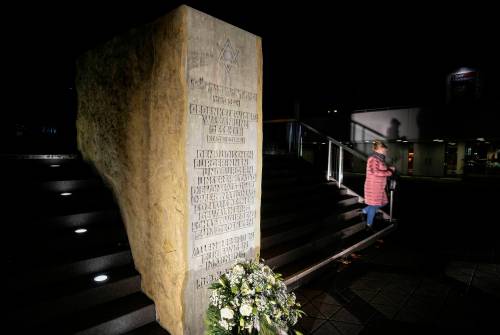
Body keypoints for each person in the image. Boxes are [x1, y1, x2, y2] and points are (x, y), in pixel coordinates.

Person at [362, 140, 395, 231]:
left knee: (384, 202)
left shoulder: (379, 158)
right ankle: (369, 225)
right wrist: (390, 172)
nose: (386, 152)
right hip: (373, 186)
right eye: (384, 150)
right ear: (379, 149)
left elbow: (380, 169)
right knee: (374, 205)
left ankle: (364, 211)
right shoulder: (373, 158)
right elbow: (375, 172)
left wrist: (389, 169)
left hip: (379, 186)